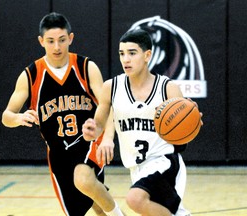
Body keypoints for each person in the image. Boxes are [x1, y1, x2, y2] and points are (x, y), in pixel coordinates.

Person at [1, 12, 124, 216]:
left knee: (83, 179)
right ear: (41, 41)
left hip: (89, 141)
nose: (57, 47)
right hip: (59, 153)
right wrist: (18, 118)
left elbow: (107, 105)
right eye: (50, 41)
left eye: (62, 40)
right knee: (90, 202)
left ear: (71, 38)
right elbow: (6, 116)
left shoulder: (86, 67)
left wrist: (107, 139)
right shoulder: (31, 75)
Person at [82, 29, 203, 215]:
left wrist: (192, 123)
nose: (125, 59)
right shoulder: (111, 87)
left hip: (164, 162)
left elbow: (184, 137)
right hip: (136, 167)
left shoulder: (168, 88)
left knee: (134, 199)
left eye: (132, 53)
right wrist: (92, 130)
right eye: (122, 54)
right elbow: (99, 123)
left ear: (147, 55)